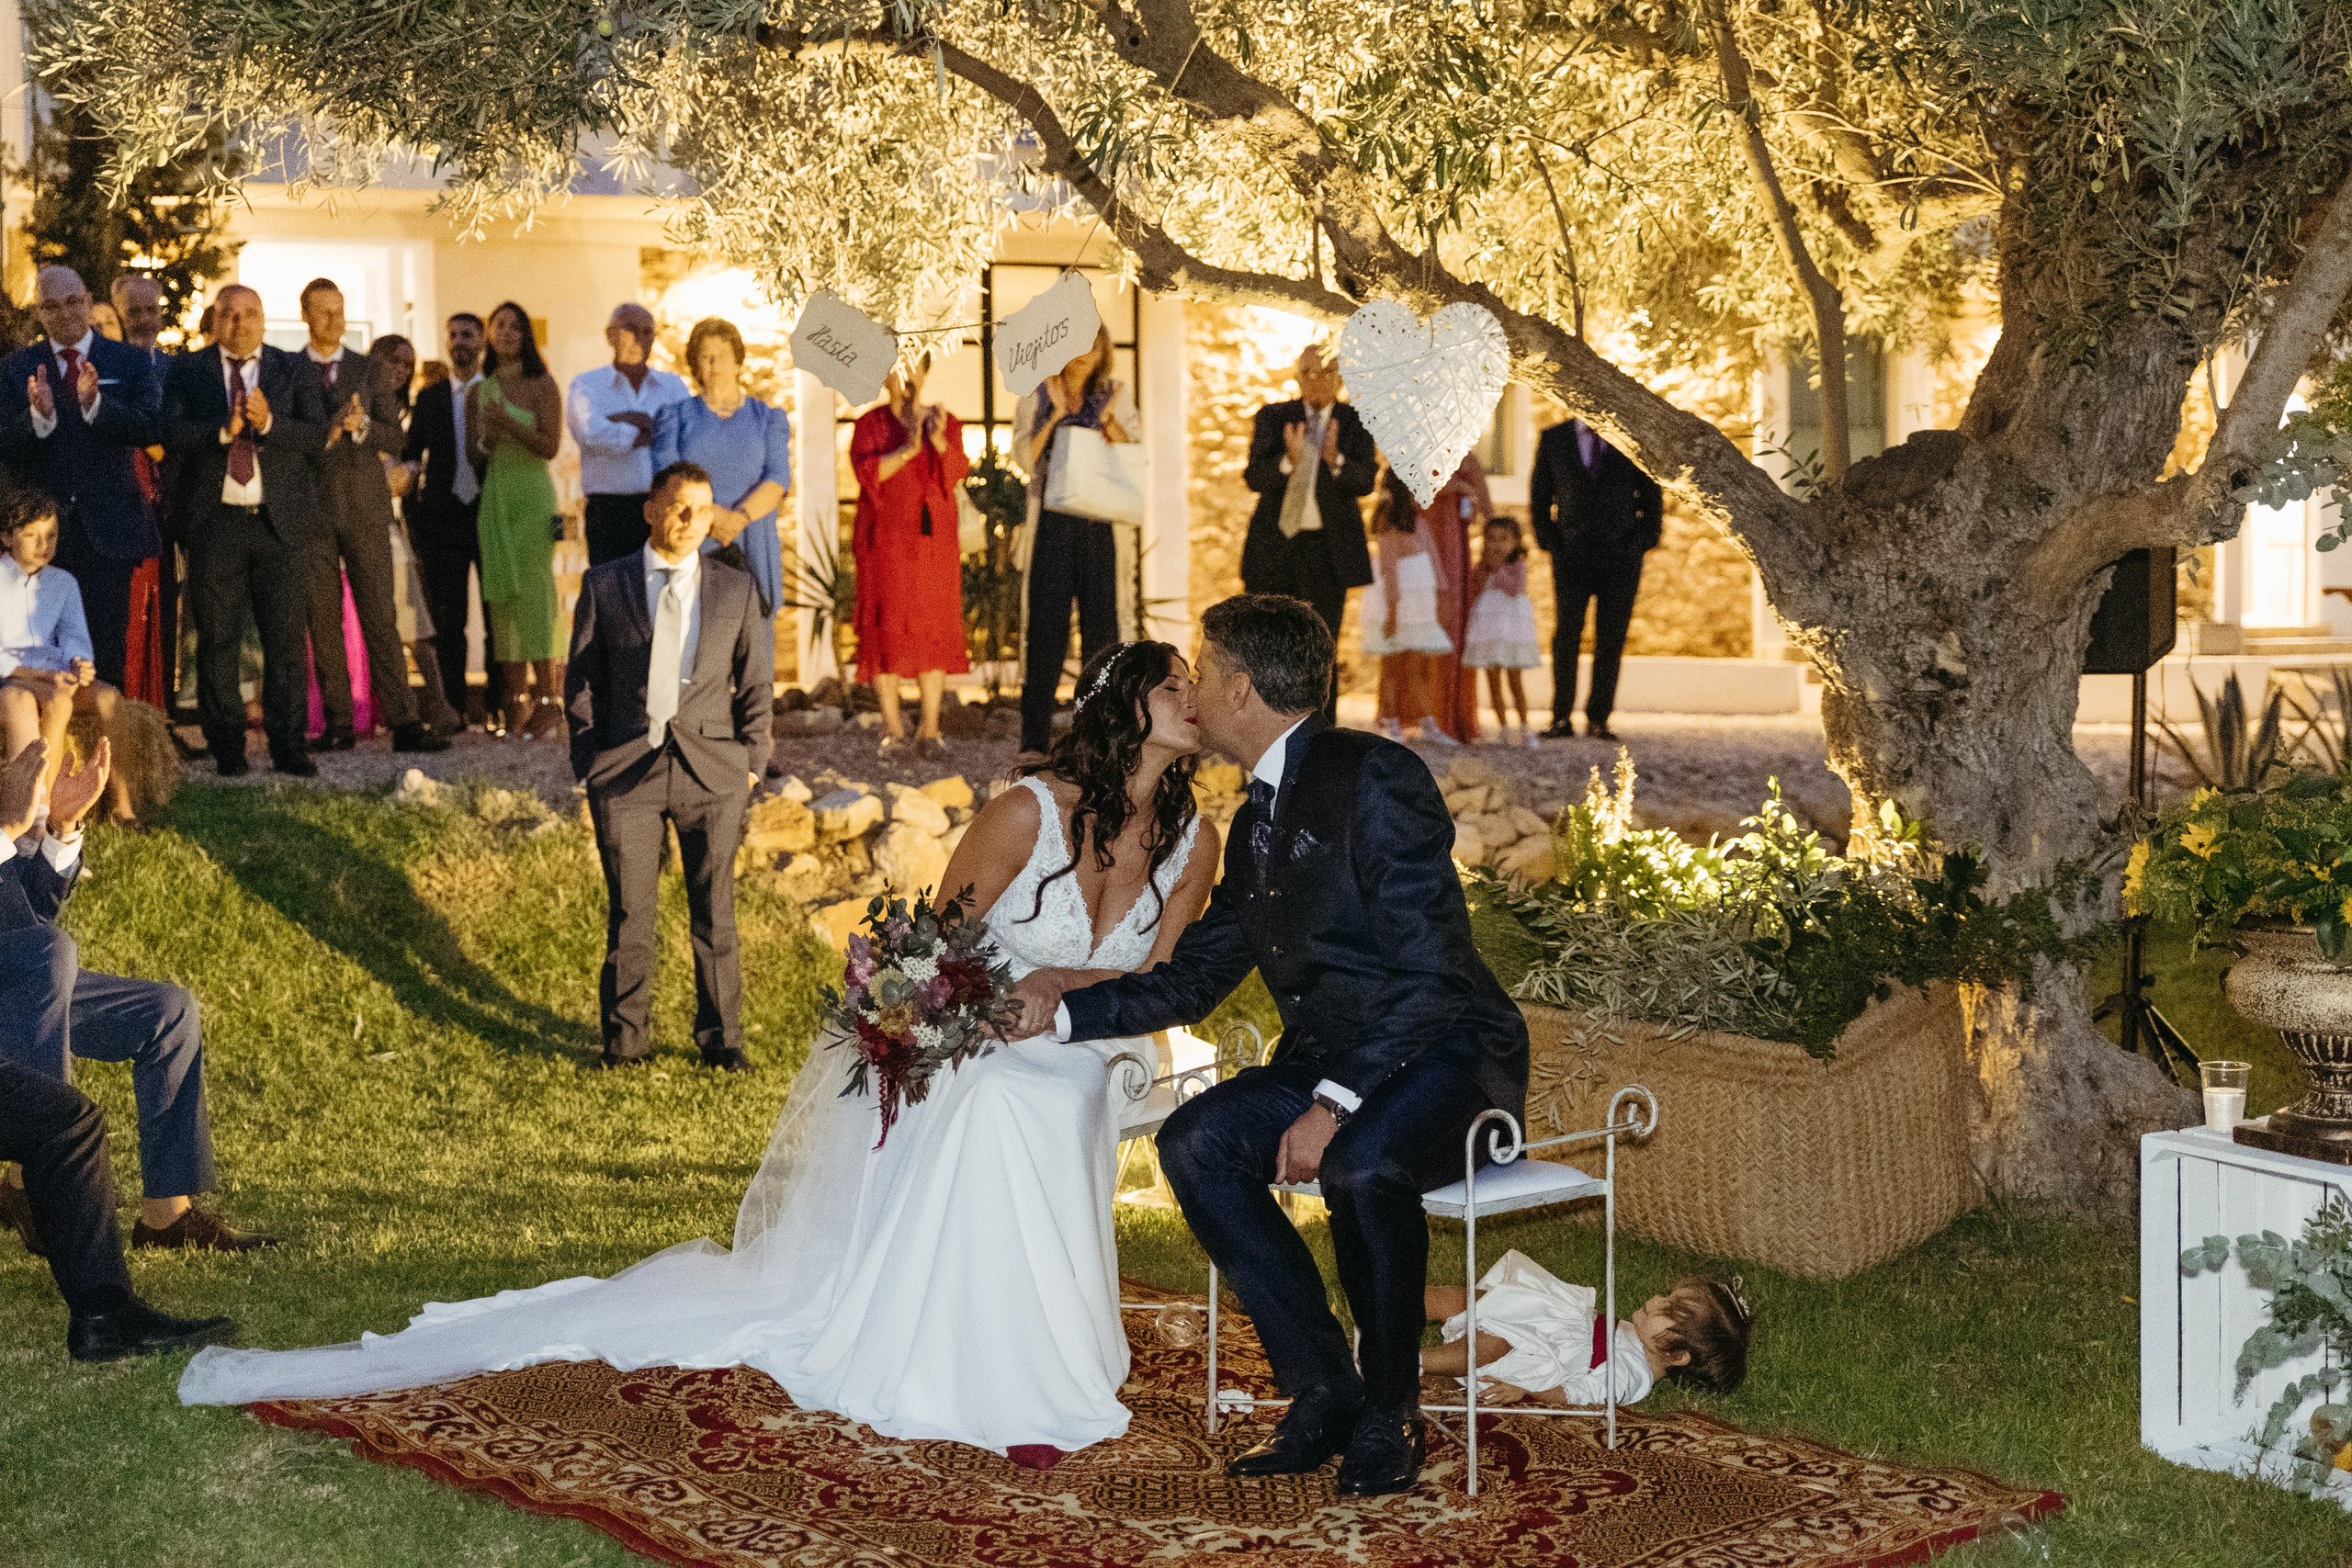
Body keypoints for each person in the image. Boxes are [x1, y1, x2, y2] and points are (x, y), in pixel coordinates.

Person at [179, 638, 1216, 1475]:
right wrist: (985, 1006)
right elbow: (935, 941)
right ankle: (967, 1349)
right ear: (1128, 706)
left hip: (1103, 1039)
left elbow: (1166, 972)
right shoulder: (1025, 812)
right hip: (986, 1021)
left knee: (1031, 1098)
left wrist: (1064, 997)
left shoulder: (1193, 837)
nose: (1196, 700)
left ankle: (1046, 1351)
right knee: (991, 1099)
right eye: (1178, 685)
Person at [1009, 593, 1531, 1498]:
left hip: (1452, 1058)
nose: (1194, 687)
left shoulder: (1376, 777)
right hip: (1340, 1059)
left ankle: (1389, 1412)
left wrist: (1333, 1105)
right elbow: (1193, 979)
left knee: (1359, 1167)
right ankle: (1323, 1385)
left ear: (1241, 690)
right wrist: (1053, 1013)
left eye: (1202, 672)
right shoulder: (1254, 820)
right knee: (1196, 1141)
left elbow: (1434, 975)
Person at [0, 743, 239, 1360]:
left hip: (20, 976)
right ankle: (32, 1174)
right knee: (49, 956)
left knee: (168, 1010)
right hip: (18, 979)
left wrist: (61, 828)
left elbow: (27, 912)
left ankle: (166, 1215)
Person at [565, 462, 773, 1070]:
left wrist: (752, 763)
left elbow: (756, 683)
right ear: (652, 508)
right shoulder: (605, 584)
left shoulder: (734, 589)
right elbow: (581, 682)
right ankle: (626, 1043)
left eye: (702, 511)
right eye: (680, 507)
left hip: (713, 772)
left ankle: (722, 1041)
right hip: (627, 770)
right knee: (630, 911)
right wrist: (589, 761)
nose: (690, 522)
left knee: (715, 911)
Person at [162, 282, 331, 776]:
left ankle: (288, 745)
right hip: (216, 525)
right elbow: (170, 433)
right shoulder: (188, 369)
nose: (240, 323)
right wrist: (222, 431)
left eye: (250, 313)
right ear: (215, 320)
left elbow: (319, 434)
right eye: (229, 314)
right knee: (218, 640)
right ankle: (228, 749)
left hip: (279, 524)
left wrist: (271, 424)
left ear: (264, 318)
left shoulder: (293, 367)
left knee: (285, 641)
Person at [296, 277, 447, 755]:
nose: (334, 321)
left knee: (381, 617)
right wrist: (329, 428)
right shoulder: (288, 369)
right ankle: (339, 724)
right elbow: (287, 434)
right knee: (323, 622)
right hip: (313, 510)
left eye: (339, 310)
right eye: (323, 312)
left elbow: (397, 439)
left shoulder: (369, 370)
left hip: (364, 508)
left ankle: (404, 722)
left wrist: (361, 428)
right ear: (305, 314)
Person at [0, 265, 164, 694]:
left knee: (104, 658)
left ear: (89, 302)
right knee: (41, 652)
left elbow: (150, 426)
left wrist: (97, 405)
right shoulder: (17, 368)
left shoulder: (126, 360)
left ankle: (105, 756)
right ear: (39, 313)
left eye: (73, 302)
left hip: (109, 533)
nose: (64, 313)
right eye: (51, 306)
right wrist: (36, 417)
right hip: (42, 539)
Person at [1010, 324, 1139, 758]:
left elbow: (1133, 453)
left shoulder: (1115, 393)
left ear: (1104, 349)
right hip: (1053, 522)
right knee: (1045, 630)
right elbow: (1024, 458)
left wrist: (1108, 423)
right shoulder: (1038, 391)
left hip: (1100, 524)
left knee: (1104, 632)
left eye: (1094, 342)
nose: (1085, 351)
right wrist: (1055, 417)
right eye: (1077, 342)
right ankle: (1034, 741)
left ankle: (1100, 738)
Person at [1238, 344, 1378, 721]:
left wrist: (1336, 461)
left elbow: (1366, 481)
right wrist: (1289, 461)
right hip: (1276, 548)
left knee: (1321, 647)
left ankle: (1320, 734)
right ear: (1298, 376)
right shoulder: (1274, 417)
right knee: (1269, 646)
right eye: (1309, 373)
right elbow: (1253, 477)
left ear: (1340, 378)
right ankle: (1267, 730)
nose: (1316, 382)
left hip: (1328, 552)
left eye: (1326, 373)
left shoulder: (1357, 421)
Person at [1419, 1253, 1751, 1406]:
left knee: (1494, 1343)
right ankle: (1387, 1305)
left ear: (1676, 1354)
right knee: (1469, 1299)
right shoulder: (1637, 1338)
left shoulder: (1632, 1376)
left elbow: (1575, 1394)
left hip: (1536, 1355)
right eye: (1667, 1295)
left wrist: (1526, 1390)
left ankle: (1408, 1361)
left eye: (1668, 1309)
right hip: (1543, 1321)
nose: (1656, 1299)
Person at [851, 353, 969, 760]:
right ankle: (892, 728)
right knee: (885, 626)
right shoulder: (869, 423)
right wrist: (906, 449)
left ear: (924, 371)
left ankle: (930, 729)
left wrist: (935, 440)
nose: (905, 377)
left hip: (932, 544)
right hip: (884, 542)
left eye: (913, 367)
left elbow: (956, 472)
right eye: (895, 368)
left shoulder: (945, 420)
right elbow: (867, 475)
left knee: (932, 627)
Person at [0, 488, 141, 826]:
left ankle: (122, 806)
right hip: (11, 677)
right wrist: (42, 676)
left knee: (108, 697)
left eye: (51, 535)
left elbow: (75, 637)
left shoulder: (63, 583)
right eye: (31, 535)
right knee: (46, 703)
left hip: (52, 676)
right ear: (6, 536)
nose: (43, 545)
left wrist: (80, 663)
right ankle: (35, 813)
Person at [1531, 417, 1663, 742]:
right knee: (1566, 635)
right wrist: (1551, 543)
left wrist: (1639, 544)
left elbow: (1651, 496)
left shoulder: (1629, 435)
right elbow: (1539, 496)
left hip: (1621, 557)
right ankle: (1561, 717)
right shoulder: (1554, 438)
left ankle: (1599, 718)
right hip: (1570, 556)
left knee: (1611, 637)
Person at [650, 317, 790, 621]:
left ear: (738, 362)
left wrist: (738, 519)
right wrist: (712, 517)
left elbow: (778, 478)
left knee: (753, 646)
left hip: (752, 537)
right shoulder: (674, 418)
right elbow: (667, 479)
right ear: (695, 366)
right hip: (693, 536)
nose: (715, 363)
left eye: (723, 354)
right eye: (705, 356)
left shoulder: (767, 418)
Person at [469, 301, 566, 739]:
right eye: (500, 325)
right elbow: (477, 455)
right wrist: (489, 438)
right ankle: (515, 703)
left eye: (515, 326)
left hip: (532, 496)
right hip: (497, 497)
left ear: (527, 335)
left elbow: (549, 447)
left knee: (536, 596)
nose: (507, 333)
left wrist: (510, 421)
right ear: (490, 334)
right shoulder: (481, 388)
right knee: (502, 598)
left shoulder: (542, 384)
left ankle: (549, 699)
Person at [370, 334, 464, 738]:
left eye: (407, 363)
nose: (400, 369)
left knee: (413, 614)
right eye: (392, 360)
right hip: (363, 520)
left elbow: (403, 473)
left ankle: (438, 705)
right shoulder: (360, 403)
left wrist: (404, 473)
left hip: (397, 525)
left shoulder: (409, 410)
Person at [402, 313, 488, 728]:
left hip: (491, 516)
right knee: (449, 621)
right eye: (452, 335)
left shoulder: (494, 393)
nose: (459, 342)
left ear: (482, 341)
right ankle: (452, 709)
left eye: (467, 335)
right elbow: (411, 453)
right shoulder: (432, 397)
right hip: (443, 519)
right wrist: (416, 513)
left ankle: (498, 707)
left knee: (494, 616)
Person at [570, 303, 690, 567]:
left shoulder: (673, 387)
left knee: (661, 593)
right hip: (608, 511)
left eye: (647, 332)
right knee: (611, 596)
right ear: (610, 335)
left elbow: (686, 438)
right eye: (630, 329)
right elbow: (590, 434)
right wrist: (648, 428)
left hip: (663, 508)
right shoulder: (587, 385)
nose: (639, 339)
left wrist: (620, 422)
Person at [110, 276, 181, 713]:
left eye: (150, 310)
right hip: (121, 507)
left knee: (168, 614)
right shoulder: (106, 368)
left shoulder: (177, 368)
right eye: (133, 312)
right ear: (119, 315)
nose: (143, 320)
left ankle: (164, 718)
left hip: (170, 509)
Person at [1362, 464, 1455, 748]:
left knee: (1418, 666)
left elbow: (1434, 561)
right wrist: (1391, 613)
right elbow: (1390, 572)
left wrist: (1441, 596)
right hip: (1397, 602)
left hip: (1420, 603)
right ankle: (1388, 720)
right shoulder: (1388, 525)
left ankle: (1427, 722)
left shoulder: (1419, 522)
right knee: (1390, 664)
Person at [1464, 514, 1542, 748]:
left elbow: (1514, 588)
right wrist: (1483, 569)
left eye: (1504, 539)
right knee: (1493, 679)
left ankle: (1525, 727)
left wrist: (1497, 568)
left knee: (1515, 680)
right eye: (1491, 539)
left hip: (1511, 627)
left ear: (1516, 542)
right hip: (1489, 624)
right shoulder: (1483, 564)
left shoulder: (1517, 564)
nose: (1497, 545)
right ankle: (1503, 727)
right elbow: (1474, 585)